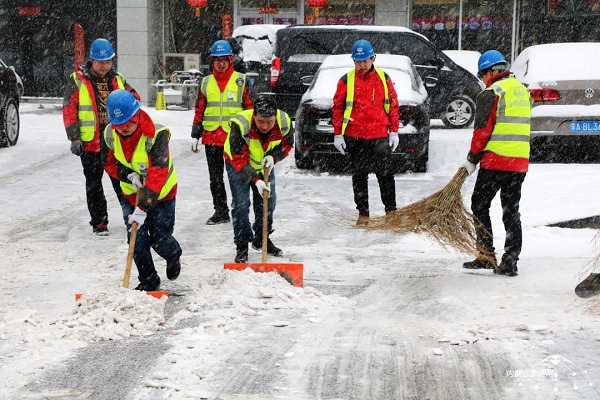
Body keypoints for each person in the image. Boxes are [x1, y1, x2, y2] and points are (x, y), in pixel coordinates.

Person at [461, 50, 532, 277]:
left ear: (490, 72)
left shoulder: (492, 93)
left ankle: (485, 255)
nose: (483, 80)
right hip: (519, 162)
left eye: (482, 75)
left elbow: (482, 132)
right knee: (511, 211)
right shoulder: (523, 91)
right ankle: (510, 260)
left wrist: (472, 159)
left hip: (495, 161)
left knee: (479, 205)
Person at [103, 89, 182, 291]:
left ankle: (173, 253)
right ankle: (148, 280)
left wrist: (144, 205)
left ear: (137, 114)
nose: (125, 128)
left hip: (162, 194)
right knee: (136, 238)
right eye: (120, 125)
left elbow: (158, 172)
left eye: (129, 122)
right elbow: (109, 163)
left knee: (160, 238)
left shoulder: (157, 135)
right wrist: (127, 175)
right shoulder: (110, 135)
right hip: (130, 194)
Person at [63, 38, 140, 236]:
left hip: (115, 142)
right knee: (94, 185)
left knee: (122, 181)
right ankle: (99, 222)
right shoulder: (78, 80)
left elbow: (134, 98)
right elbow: (70, 110)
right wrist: (74, 137)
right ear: (92, 60)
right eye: (100, 62)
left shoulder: (118, 79)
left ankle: (129, 218)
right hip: (90, 144)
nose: (104, 66)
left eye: (108, 62)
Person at [331, 39, 400, 226]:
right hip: (355, 135)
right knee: (359, 175)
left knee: (385, 175)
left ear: (373, 58)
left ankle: (391, 212)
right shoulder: (346, 80)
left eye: (365, 61)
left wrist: (394, 131)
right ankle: (363, 213)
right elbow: (337, 108)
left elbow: (393, 106)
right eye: (357, 61)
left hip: (379, 135)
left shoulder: (383, 78)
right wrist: (338, 134)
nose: (361, 65)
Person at [191, 39, 254, 225]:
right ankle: (220, 211)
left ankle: (239, 209)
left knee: (236, 177)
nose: (220, 63)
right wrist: (196, 133)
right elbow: (200, 109)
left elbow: (250, 109)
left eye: (224, 59)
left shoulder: (241, 81)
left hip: (233, 139)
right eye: (216, 59)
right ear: (212, 61)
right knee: (215, 179)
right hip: (211, 138)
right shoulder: (205, 82)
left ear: (230, 60)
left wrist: (251, 135)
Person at [224, 95, 292, 263]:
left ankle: (262, 239)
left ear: (275, 117)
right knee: (241, 205)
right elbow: (239, 158)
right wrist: (256, 181)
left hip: (264, 165)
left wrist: (273, 157)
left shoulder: (284, 122)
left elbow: (287, 145)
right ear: (254, 116)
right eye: (261, 121)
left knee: (268, 202)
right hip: (238, 165)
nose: (265, 126)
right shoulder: (240, 125)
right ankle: (241, 246)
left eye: (269, 122)